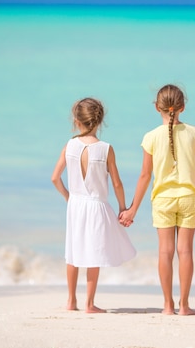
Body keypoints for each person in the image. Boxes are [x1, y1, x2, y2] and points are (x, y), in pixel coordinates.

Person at [120, 84, 195, 315]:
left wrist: (133, 209)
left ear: (157, 108)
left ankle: (168, 306)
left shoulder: (150, 137)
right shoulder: (194, 133)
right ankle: (184, 306)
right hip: (189, 198)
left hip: (163, 201)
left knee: (165, 252)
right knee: (185, 252)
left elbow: (145, 176)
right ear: (182, 107)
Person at [51, 97, 136, 313]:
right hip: (97, 205)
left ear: (76, 120)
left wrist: (68, 197)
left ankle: (71, 301)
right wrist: (123, 207)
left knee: (73, 252)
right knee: (93, 253)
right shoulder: (105, 149)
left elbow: (55, 178)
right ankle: (89, 304)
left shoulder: (69, 145)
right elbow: (117, 183)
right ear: (99, 120)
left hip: (76, 205)